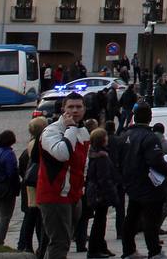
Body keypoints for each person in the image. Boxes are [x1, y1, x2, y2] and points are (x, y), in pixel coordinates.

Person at [38, 92, 91, 259]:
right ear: (63, 109)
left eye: (78, 107)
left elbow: (84, 163)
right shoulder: (51, 131)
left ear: (84, 109)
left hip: (73, 195)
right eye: (71, 107)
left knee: (63, 239)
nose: (75, 111)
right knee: (59, 242)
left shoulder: (83, 131)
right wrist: (71, 129)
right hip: (55, 195)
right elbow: (62, 154)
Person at [120, 104, 167, 259]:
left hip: (131, 182)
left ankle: (128, 249)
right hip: (148, 183)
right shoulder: (149, 137)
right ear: (150, 117)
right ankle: (154, 251)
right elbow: (155, 160)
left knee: (132, 217)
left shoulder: (125, 135)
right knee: (151, 220)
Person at [83, 128, 121, 259]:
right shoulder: (102, 157)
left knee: (100, 220)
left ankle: (100, 246)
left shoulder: (94, 154)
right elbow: (104, 179)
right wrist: (114, 197)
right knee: (99, 222)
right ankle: (94, 249)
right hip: (100, 193)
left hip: (94, 191)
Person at [16, 116, 48, 256]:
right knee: (36, 216)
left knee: (32, 214)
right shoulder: (37, 142)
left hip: (31, 183)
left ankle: (27, 244)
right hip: (37, 182)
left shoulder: (31, 142)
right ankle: (34, 245)